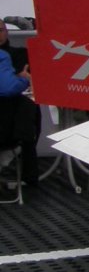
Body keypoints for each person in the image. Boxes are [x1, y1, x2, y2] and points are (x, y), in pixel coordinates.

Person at [0, 23, 39, 188]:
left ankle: (11, 154)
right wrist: (21, 79)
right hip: (11, 115)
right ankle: (12, 155)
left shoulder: (19, 53)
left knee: (27, 109)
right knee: (27, 109)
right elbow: (10, 85)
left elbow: (28, 73)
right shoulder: (5, 56)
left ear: (7, 32)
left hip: (12, 111)